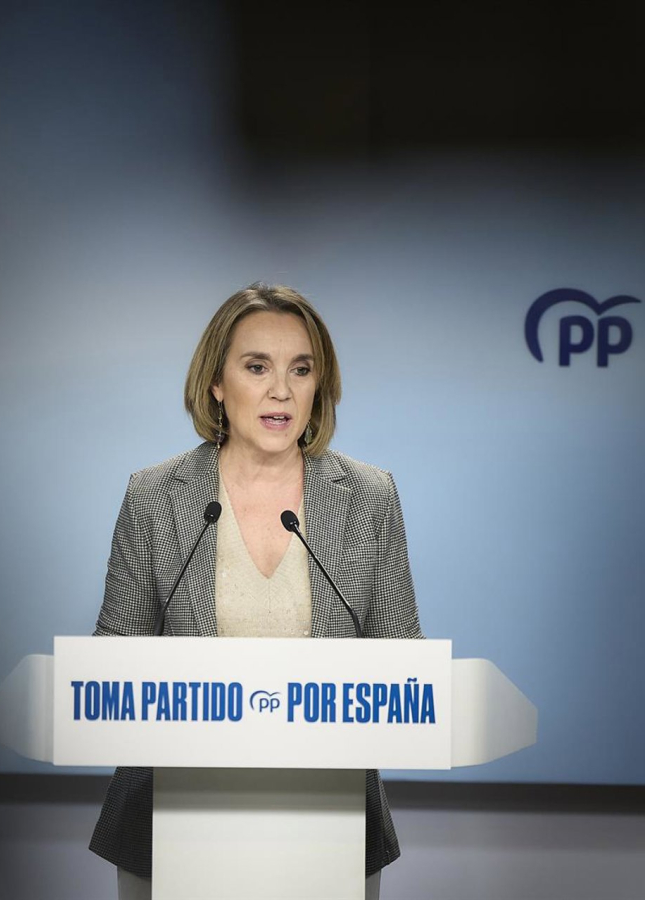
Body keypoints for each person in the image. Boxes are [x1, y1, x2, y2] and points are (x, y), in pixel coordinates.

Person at [88, 283, 424, 900]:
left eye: (301, 369)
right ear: (217, 382)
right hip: (169, 825)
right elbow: (113, 668)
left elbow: (405, 669)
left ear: (320, 384)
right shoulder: (155, 497)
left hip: (330, 826)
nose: (281, 391)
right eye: (257, 367)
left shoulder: (369, 498)